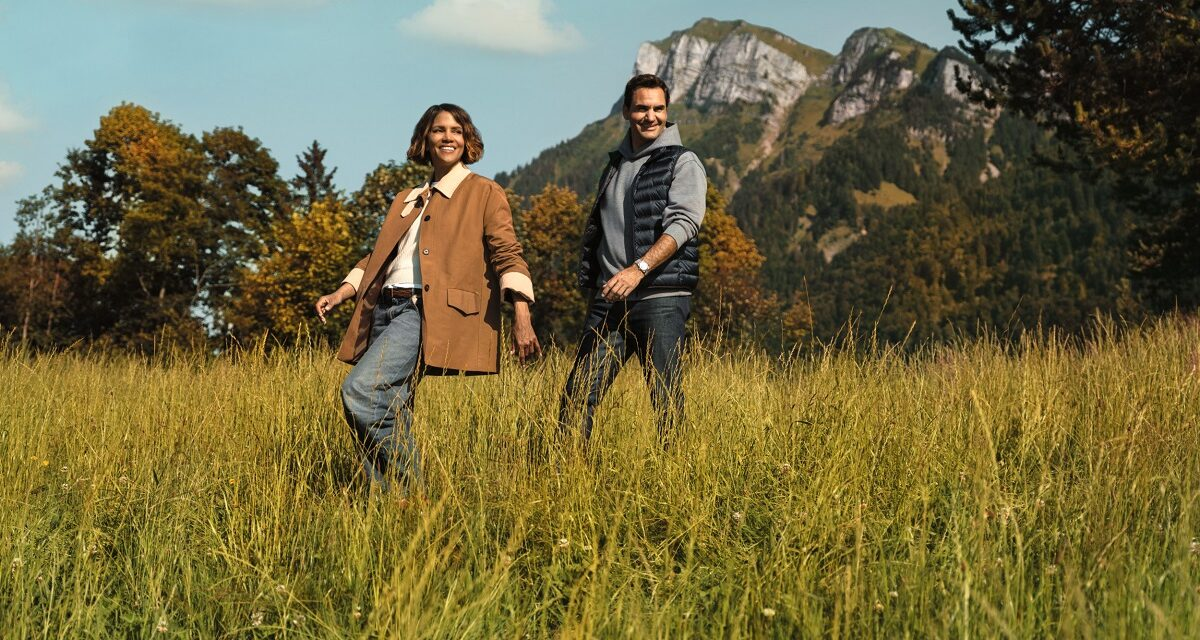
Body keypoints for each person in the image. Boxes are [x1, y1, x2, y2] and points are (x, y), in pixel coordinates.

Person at [315, 103, 540, 493]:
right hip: (384, 308)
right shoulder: (408, 198)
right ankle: (396, 505)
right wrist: (342, 292)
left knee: (361, 392)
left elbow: (507, 253)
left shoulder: (484, 191)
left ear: (467, 140)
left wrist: (522, 315)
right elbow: (379, 256)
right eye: (439, 130)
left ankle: (411, 487)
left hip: (423, 311)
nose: (448, 137)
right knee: (391, 407)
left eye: (456, 130)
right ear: (426, 139)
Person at [558, 74, 707, 447]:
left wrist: (638, 269)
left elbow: (684, 223)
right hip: (610, 301)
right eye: (642, 108)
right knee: (577, 397)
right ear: (626, 111)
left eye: (658, 108)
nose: (650, 116)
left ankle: (675, 477)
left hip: (660, 297)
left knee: (665, 400)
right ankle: (568, 475)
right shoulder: (615, 165)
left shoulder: (683, 161)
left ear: (667, 111)